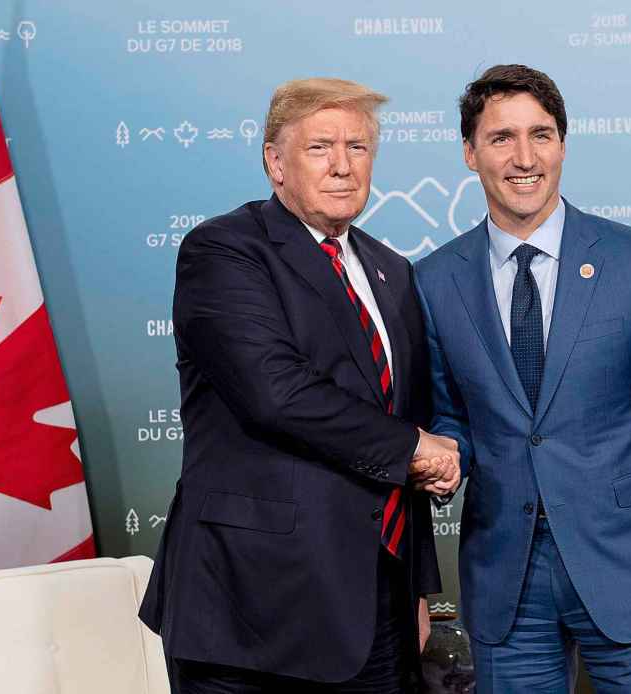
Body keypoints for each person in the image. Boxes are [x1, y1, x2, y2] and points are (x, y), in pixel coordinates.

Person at [414, 64, 631, 693]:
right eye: (502, 138)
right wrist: (444, 456)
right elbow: (453, 416)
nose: (524, 157)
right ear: (470, 153)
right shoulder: (433, 280)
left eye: (542, 134)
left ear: (563, 144)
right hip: (507, 581)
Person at [139, 77, 460, 693]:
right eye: (320, 148)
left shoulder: (392, 271)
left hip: (377, 614)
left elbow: (403, 417)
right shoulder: (225, 250)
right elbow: (275, 391)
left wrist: (418, 587)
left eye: (358, 147)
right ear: (275, 162)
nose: (343, 166)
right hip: (253, 616)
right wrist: (416, 449)